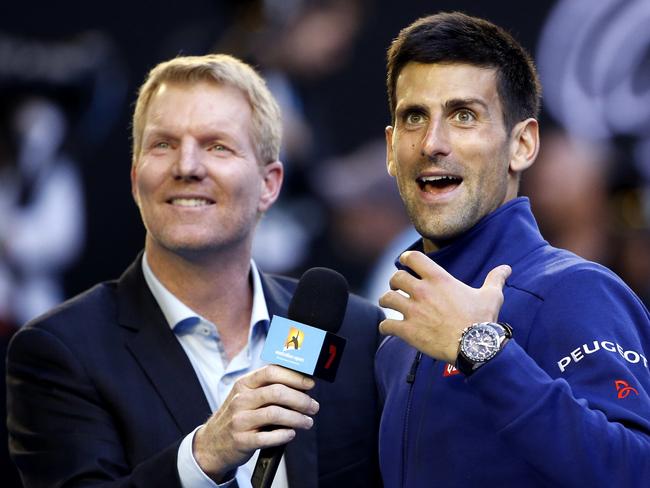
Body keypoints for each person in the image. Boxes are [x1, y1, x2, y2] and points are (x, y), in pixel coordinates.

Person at [6, 54, 383, 488]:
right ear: (135, 179)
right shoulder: (61, 351)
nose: (186, 167)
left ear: (269, 184)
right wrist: (204, 456)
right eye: (163, 144)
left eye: (216, 146)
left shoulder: (355, 333)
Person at [375, 12, 650, 487]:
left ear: (522, 144)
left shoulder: (576, 290)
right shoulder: (398, 341)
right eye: (413, 117)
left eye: (464, 116)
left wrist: (481, 350)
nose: (432, 143)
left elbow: (635, 470)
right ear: (390, 148)